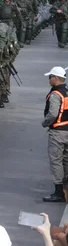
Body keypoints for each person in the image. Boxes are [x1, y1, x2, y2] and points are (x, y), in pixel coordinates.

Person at [42, 66, 68, 202]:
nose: (49, 79)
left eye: (50, 77)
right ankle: (66, 189)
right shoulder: (66, 92)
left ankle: (59, 192)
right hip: (67, 130)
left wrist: (45, 122)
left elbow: (52, 113)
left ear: (56, 78)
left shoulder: (55, 95)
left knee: (56, 161)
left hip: (57, 132)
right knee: (66, 160)